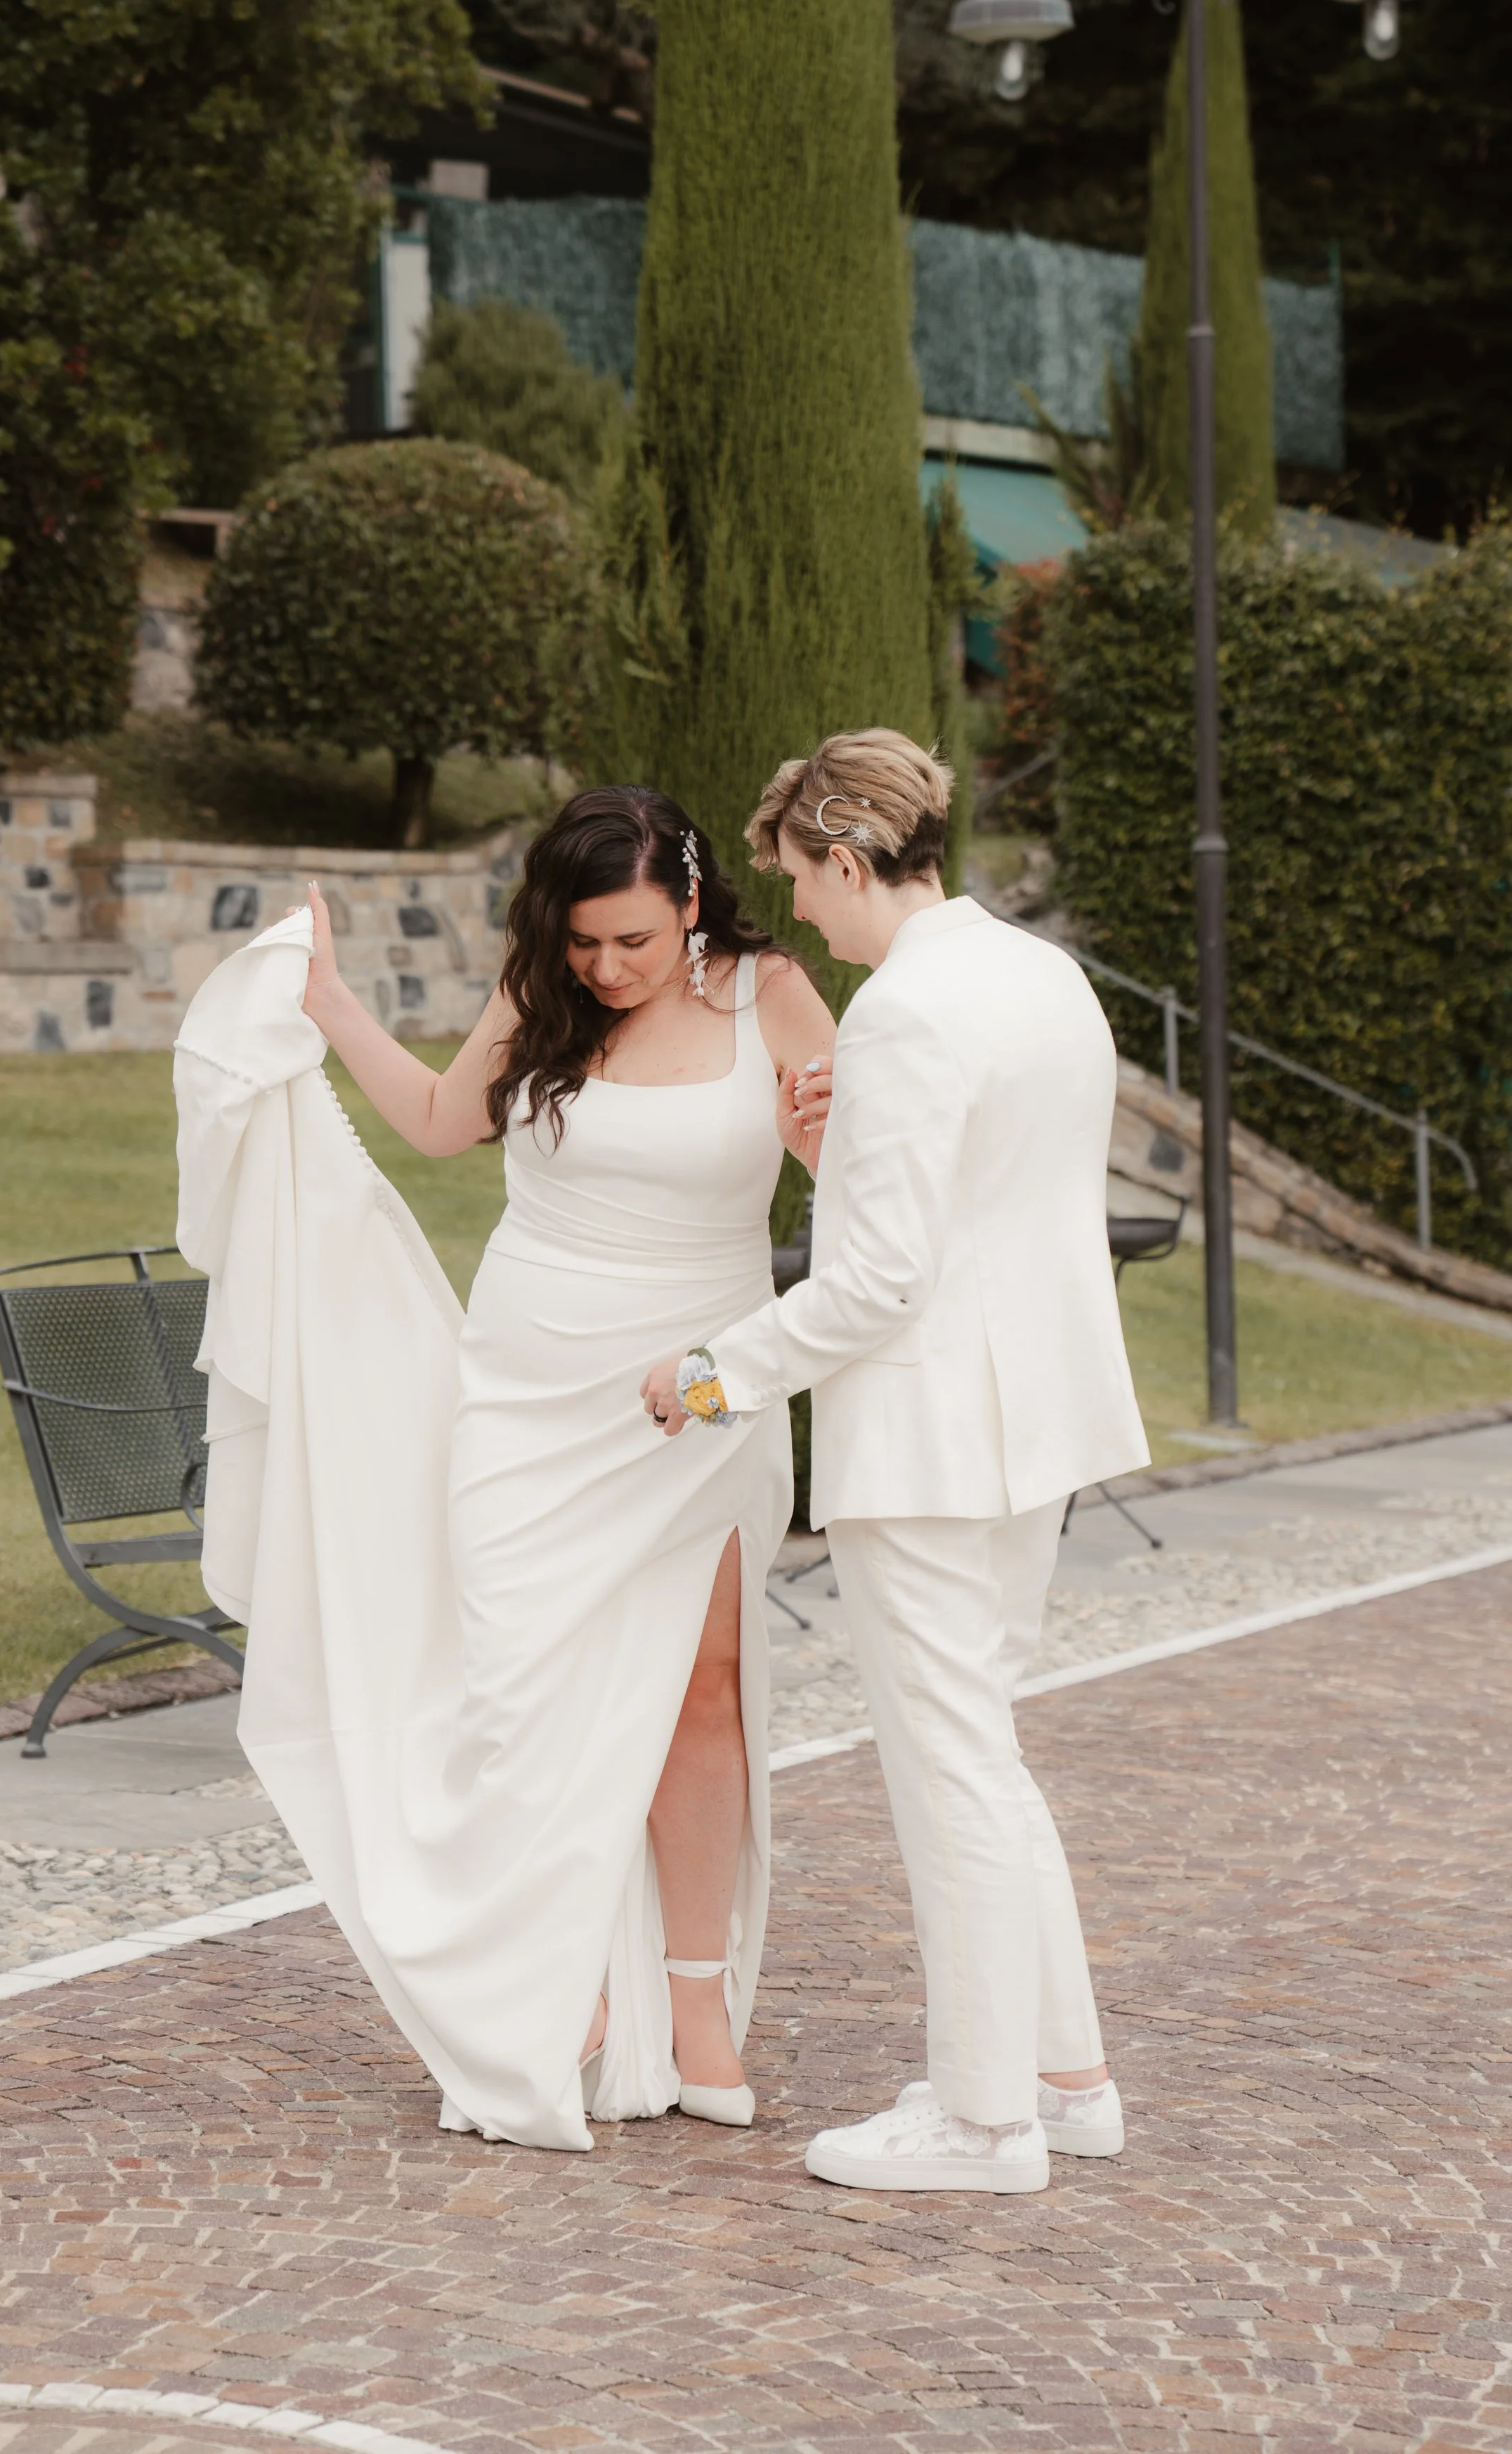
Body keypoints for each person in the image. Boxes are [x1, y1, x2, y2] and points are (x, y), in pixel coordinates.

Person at [174, 784, 836, 2150]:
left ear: (693, 903)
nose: (605, 968)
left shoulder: (767, 994)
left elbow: (868, 1174)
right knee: (519, 1692)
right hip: (522, 1396)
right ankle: (564, 1985)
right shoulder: (543, 990)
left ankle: (696, 2004)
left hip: (698, 1401)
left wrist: (829, 1144)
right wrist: (328, 1003)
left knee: (697, 1698)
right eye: (585, 940)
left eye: (633, 942)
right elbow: (433, 1122)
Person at [641, 728, 1149, 2195]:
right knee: (979, 1748)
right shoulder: (1035, 973)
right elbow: (971, 1207)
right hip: (1028, 1421)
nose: (799, 908)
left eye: (803, 878)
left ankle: (982, 2119)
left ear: (851, 858)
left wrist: (710, 1373)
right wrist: (837, 1153)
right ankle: (1066, 2077)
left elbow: (874, 1285)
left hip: (932, 1437)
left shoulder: (908, 1014)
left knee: (949, 1769)